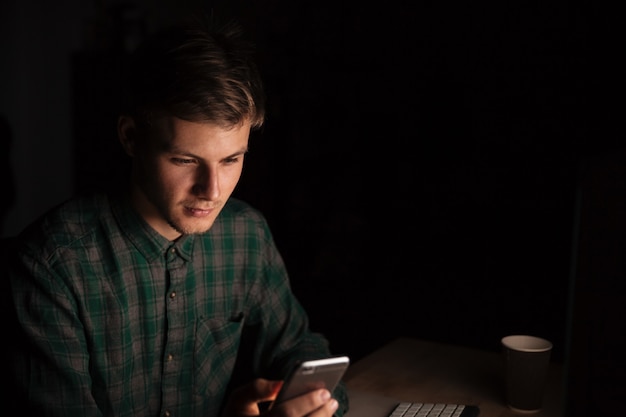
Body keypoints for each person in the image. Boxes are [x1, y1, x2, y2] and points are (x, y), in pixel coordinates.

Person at [6, 16, 349, 417]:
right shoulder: (52, 266)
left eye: (231, 160)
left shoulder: (246, 235)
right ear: (131, 137)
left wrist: (312, 403)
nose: (213, 190)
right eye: (185, 160)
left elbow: (298, 349)